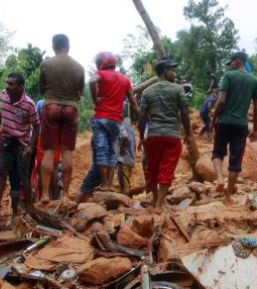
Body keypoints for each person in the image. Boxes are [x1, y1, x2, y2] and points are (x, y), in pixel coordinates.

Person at [77, 52, 138, 202]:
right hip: (116, 121)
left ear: (102, 63)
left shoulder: (101, 74)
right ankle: (110, 184)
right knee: (112, 152)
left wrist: (95, 98)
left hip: (101, 118)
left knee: (101, 151)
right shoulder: (125, 79)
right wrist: (141, 116)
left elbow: (92, 81)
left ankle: (104, 184)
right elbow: (133, 101)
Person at [0, 73, 39, 215]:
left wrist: (31, 146)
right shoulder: (3, 96)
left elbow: (36, 126)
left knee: (23, 175)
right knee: (1, 173)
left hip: (22, 142)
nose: (7, 86)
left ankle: (29, 208)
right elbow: (2, 113)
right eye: (7, 83)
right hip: (7, 140)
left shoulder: (28, 104)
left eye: (11, 84)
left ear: (20, 87)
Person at [138, 59, 192, 211]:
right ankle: (160, 205)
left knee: (152, 169)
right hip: (172, 136)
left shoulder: (147, 91)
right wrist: (188, 134)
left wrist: (142, 137)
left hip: (153, 136)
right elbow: (184, 113)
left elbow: (142, 116)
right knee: (166, 170)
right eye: (172, 70)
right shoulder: (178, 89)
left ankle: (156, 200)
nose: (174, 73)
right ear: (164, 71)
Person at [38, 34, 84, 203]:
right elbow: (79, 92)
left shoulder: (46, 64)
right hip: (71, 108)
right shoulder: (79, 67)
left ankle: (44, 196)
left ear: (53, 46)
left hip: (51, 107)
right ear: (68, 45)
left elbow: (41, 88)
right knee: (67, 153)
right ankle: (65, 195)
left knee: (48, 152)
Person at [211, 52, 257, 204]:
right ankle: (228, 197)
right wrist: (254, 130)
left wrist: (214, 119)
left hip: (224, 122)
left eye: (231, 62)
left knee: (217, 153)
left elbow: (221, 101)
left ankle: (220, 178)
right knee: (235, 161)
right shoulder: (255, 81)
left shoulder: (228, 76)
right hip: (241, 126)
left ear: (238, 61)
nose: (230, 65)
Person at [117, 116, 136, 196]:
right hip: (130, 160)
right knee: (126, 182)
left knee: (123, 184)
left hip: (123, 159)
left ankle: (125, 203)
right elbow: (134, 146)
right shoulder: (132, 131)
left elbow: (124, 136)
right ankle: (126, 201)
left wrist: (122, 148)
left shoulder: (122, 126)